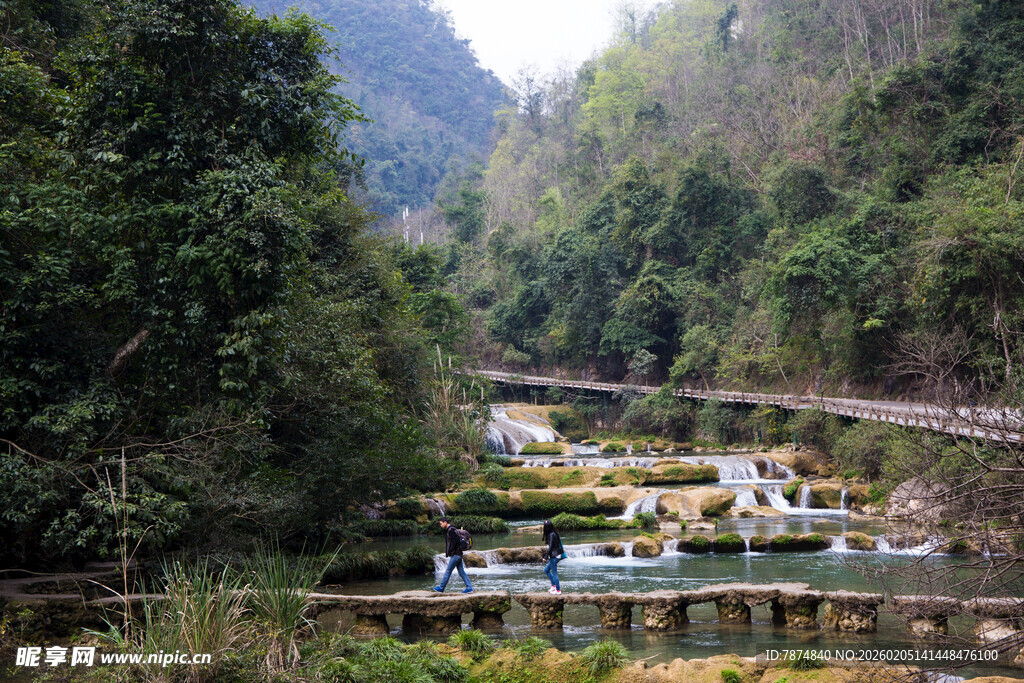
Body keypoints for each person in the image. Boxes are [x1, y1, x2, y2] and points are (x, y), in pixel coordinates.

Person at [433, 518, 473, 593]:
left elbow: (456, 542)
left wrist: (451, 551)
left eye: (441, 523)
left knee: (448, 571)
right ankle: (469, 587)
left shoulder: (451, 530)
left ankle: (441, 588)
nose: (440, 525)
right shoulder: (452, 529)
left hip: (456, 555)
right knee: (461, 572)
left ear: (445, 522)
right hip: (458, 554)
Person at [542, 519, 566, 594]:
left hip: (554, 556)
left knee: (554, 573)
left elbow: (550, 547)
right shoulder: (553, 533)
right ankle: (554, 586)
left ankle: (558, 590)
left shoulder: (551, 535)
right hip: (555, 555)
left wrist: (545, 557)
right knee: (546, 570)